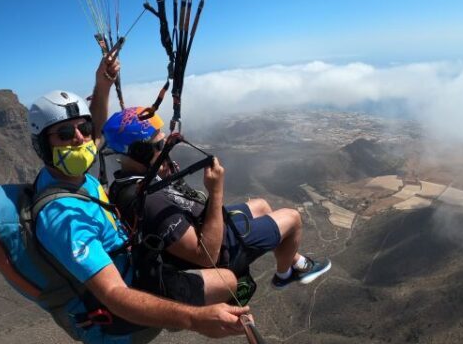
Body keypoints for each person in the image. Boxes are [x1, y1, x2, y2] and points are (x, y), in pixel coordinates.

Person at [28, 54, 250, 344]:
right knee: (228, 279)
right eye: (66, 134)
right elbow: (115, 295)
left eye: (84, 128)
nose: (80, 139)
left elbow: (94, 135)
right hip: (121, 320)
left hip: (135, 260)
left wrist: (102, 86)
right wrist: (195, 319)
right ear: (43, 145)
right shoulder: (65, 218)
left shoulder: (68, 170)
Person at [101, 107, 332, 296]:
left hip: (200, 224)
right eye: (160, 145)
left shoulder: (132, 181)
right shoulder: (149, 200)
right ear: (140, 153)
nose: (166, 149)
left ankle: (294, 260)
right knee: (292, 218)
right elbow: (207, 256)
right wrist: (216, 191)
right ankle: (284, 275)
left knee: (261, 205)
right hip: (218, 252)